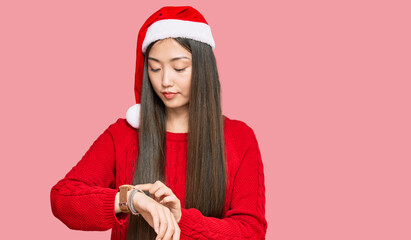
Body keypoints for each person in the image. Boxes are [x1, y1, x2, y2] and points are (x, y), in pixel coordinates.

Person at [50, 5, 267, 240]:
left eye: (179, 68)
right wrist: (130, 200)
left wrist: (180, 219)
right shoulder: (123, 135)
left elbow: (251, 232)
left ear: (204, 69)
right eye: (154, 68)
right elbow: (62, 199)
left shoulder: (239, 138)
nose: (165, 81)